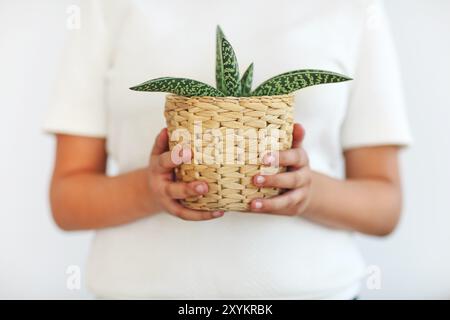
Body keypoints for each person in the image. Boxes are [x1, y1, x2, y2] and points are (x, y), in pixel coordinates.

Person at [44, 0, 412, 299]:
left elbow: (384, 209)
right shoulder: (105, 7)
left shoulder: (354, 8)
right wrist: (153, 189)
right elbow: (67, 201)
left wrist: (307, 191)